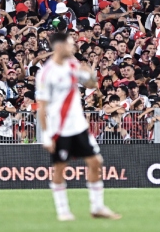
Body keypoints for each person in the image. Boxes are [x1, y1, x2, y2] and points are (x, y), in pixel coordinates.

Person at [36, 32, 120, 221]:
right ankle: (63, 211)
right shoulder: (46, 73)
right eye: (70, 44)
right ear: (59, 47)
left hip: (79, 126)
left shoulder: (73, 64)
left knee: (96, 162)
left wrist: (90, 72)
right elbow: (42, 107)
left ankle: (97, 207)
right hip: (59, 128)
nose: (73, 47)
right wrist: (47, 135)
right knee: (59, 168)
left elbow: (91, 83)